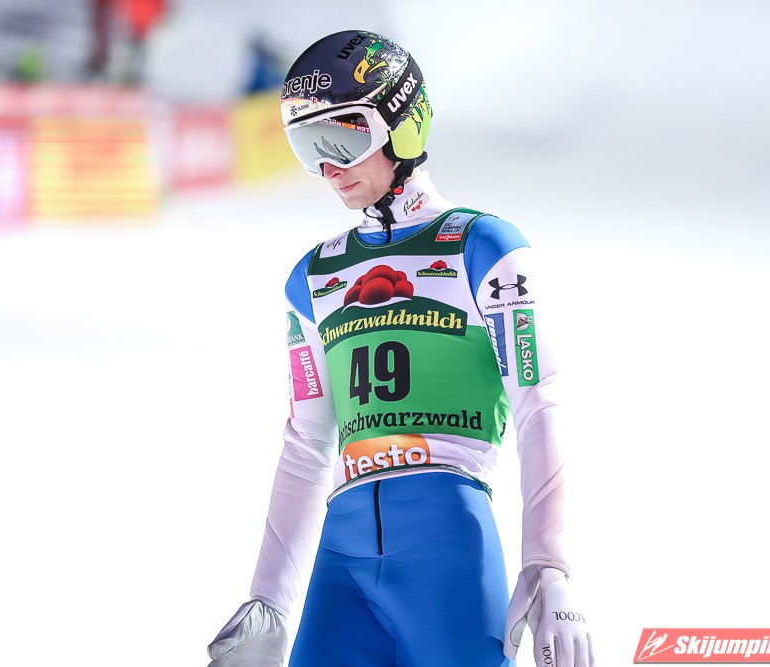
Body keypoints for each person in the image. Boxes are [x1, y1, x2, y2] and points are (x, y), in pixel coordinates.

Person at [206, 29, 596, 667]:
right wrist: (269, 598)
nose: (329, 168)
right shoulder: (313, 278)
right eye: (309, 146)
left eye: (342, 139)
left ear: (402, 126)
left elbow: (539, 402)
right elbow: (306, 444)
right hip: (342, 558)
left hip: (447, 539)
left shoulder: (483, 246)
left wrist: (550, 563)